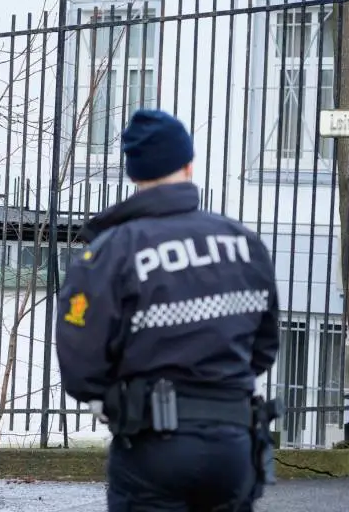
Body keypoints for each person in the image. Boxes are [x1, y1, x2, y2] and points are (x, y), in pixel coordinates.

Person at [55, 109, 280, 512]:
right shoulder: (244, 243)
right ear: (188, 165)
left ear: (134, 175)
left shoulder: (110, 252)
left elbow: (80, 367)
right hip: (234, 444)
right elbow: (264, 349)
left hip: (153, 450)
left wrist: (122, 395)